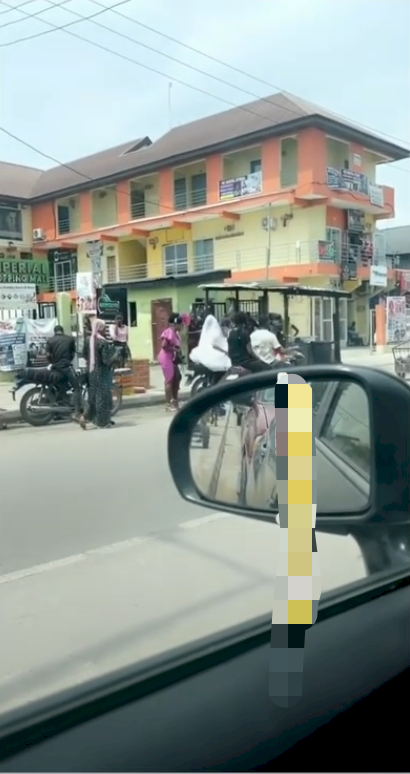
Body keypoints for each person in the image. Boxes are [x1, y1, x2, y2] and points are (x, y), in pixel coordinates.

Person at [79, 319, 117, 430]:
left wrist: (92, 362)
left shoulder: (88, 340)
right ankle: (102, 422)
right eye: (104, 328)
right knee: (102, 397)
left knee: (92, 397)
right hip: (102, 372)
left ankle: (85, 416)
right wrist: (114, 356)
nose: (105, 330)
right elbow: (106, 360)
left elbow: (84, 354)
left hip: (91, 372)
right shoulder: (103, 342)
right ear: (100, 329)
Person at [46, 324, 81, 418]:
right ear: (62, 331)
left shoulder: (50, 340)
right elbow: (73, 353)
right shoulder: (70, 339)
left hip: (56, 367)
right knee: (77, 387)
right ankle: (77, 411)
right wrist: (68, 361)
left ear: (55, 332)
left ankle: (58, 413)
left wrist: (53, 363)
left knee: (61, 387)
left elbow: (48, 355)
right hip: (66, 366)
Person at [158, 313, 183, 411]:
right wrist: (174, 349)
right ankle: (168, 404)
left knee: (177, 377)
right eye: (181, 324)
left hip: (172, 358)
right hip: (166, 358)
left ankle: (175, 400)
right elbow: (164, 346)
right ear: (176, 323)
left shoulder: (176, 333)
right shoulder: (169, 332)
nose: (182, 326)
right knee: (169, 379)